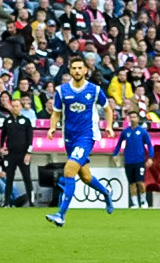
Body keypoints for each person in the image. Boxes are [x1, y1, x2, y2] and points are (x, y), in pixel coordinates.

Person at [46, 57, 115, 225]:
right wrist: (52, 127)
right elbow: (56, 112)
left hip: (86, 136)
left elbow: (108, 109)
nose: (77, 71)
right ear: (70, 71)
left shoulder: (95, 90)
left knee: (69, 170)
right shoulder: (62, 91)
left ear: (85, 70)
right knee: (85, 176)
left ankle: (61, 214)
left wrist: (109, 126)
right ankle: (106, 193)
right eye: (74, 68)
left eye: (80, 68)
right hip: (69, 137)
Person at [0, 93, 35, 207]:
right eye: (13, 106)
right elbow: (2, 135)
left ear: (20, 107)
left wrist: (28, 153)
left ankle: (32, 202)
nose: (15, 108)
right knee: (9, 179)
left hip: (23, 154)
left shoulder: (26, 121)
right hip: (11, 154)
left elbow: (30, 138)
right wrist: (1, 147)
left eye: (17, 106)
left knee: (27, 178)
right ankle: (6, 202)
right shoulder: (7, 121)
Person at [116, 111, 152, 208]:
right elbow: (119, 143)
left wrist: (150, 157)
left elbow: (149, 144)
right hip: (128, 161)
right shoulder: (125, 131)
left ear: (138, 119)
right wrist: (115, 154)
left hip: (139, 161)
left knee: (140, 182)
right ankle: (135, 203)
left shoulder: (143, 131)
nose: (132, 119)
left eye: (134, 117)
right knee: (132, 183)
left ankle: (144, 201)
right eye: (131, 117)